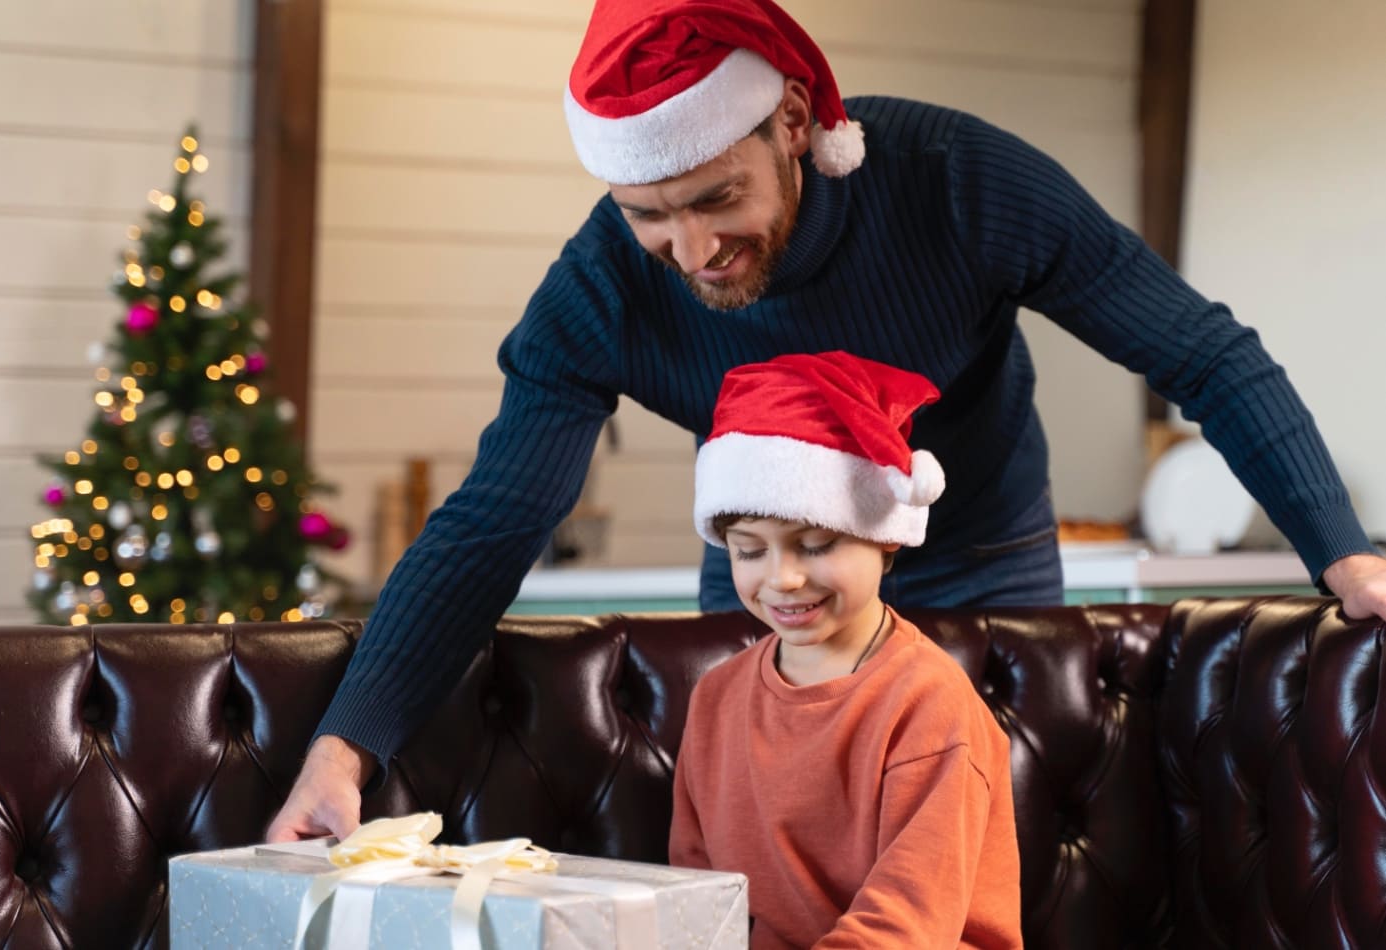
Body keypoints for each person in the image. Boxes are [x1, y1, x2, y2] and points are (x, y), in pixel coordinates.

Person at [266, 0, 1386, 843]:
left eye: (716, 198)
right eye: (650, 216)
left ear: (794, 121)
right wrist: (344, 747)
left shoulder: (959, 182)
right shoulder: (602, 288)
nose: (693, 251)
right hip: (765, 578)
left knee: (997, 837)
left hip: (982, 556)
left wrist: (1340, 548)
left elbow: (1198, 348)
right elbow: (492, 523)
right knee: (781, 846)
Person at [668, 351, 1021, 948]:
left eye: (815, 543)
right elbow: (698, 903)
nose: (782, 578)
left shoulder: (929, 704)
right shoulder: (716, 699)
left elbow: (907, 925)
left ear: (885, 540)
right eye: (750, 551)